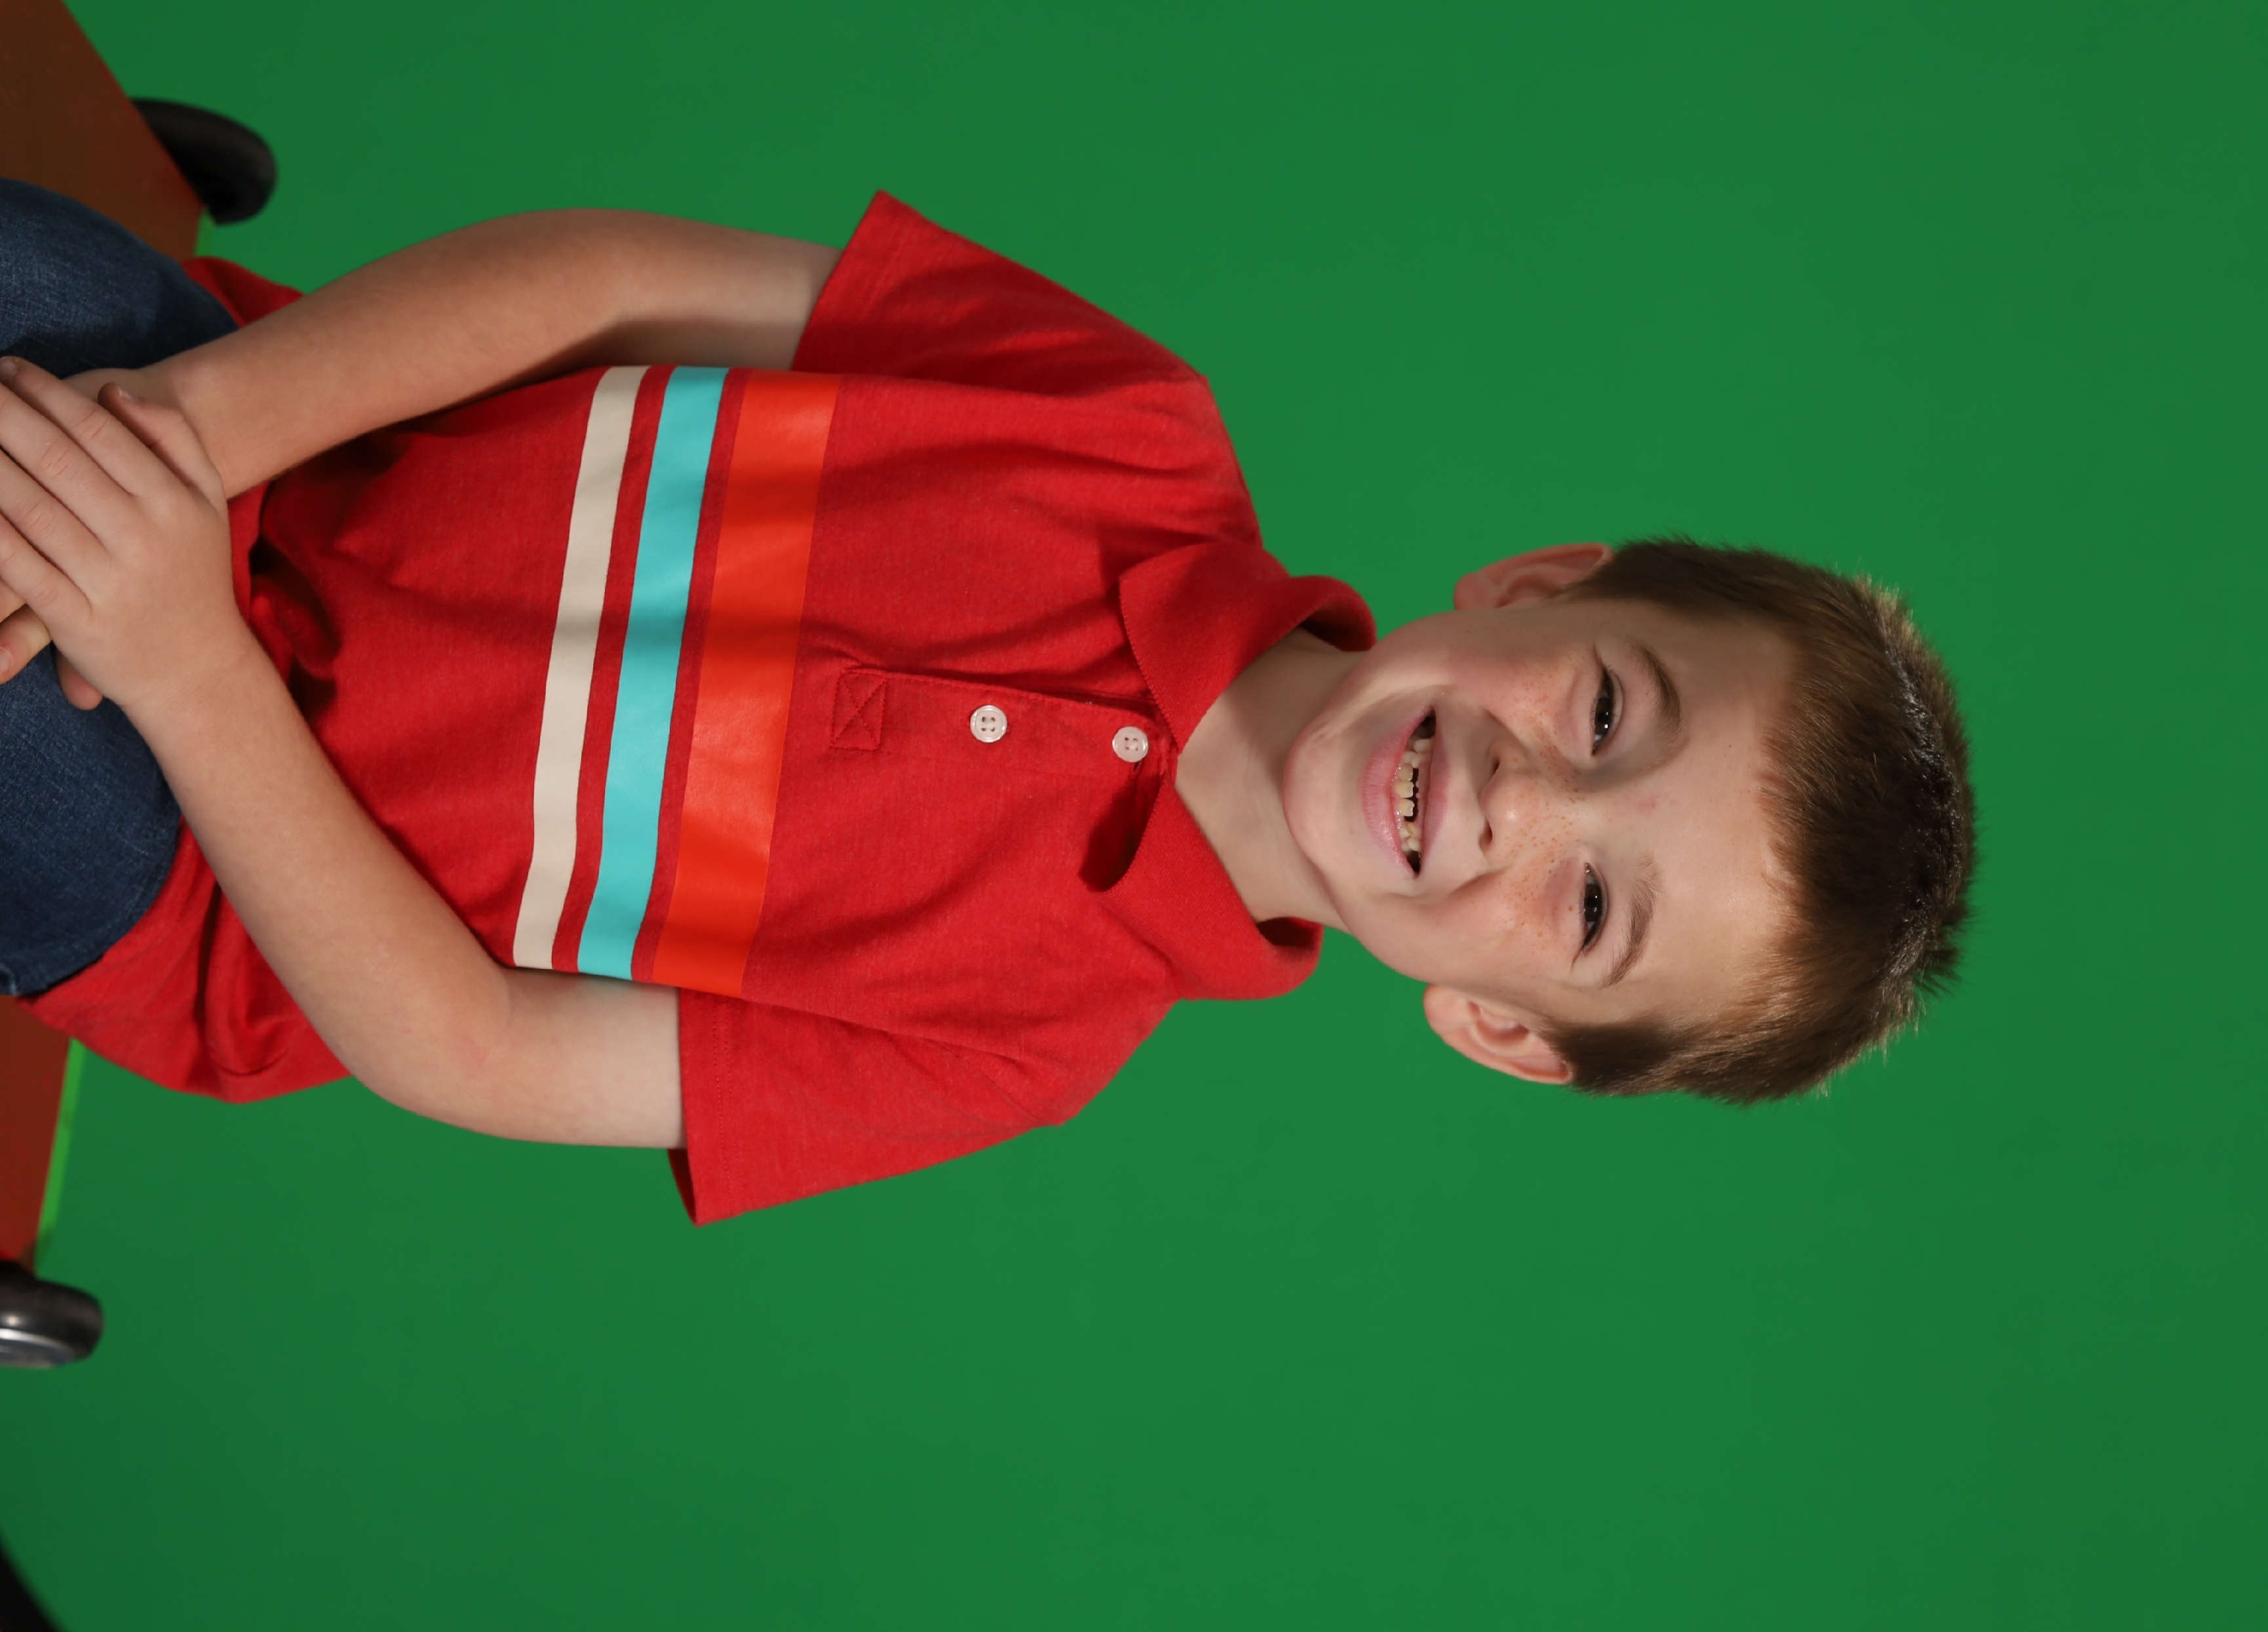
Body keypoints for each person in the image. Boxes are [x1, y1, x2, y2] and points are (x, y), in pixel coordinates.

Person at [0, 180, 1974, 1224]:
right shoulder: (1124, 421)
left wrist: (184, 660)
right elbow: (604, 275)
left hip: (188, 872)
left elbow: (471, 1046)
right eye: (1614, 711)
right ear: (1541, 587)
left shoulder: (1016, 1048)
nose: (1528, 795)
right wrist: (185, 445)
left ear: (1505, 1030)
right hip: (250, 439)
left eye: (1595, 905)